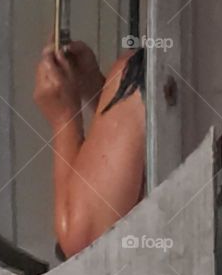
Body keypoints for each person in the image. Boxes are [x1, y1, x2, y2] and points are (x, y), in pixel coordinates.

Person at [33, 40, 145, 259]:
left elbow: (87, 244)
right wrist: (100, 94)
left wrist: (64, 119)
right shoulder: (156, 68)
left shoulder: (145, 71)